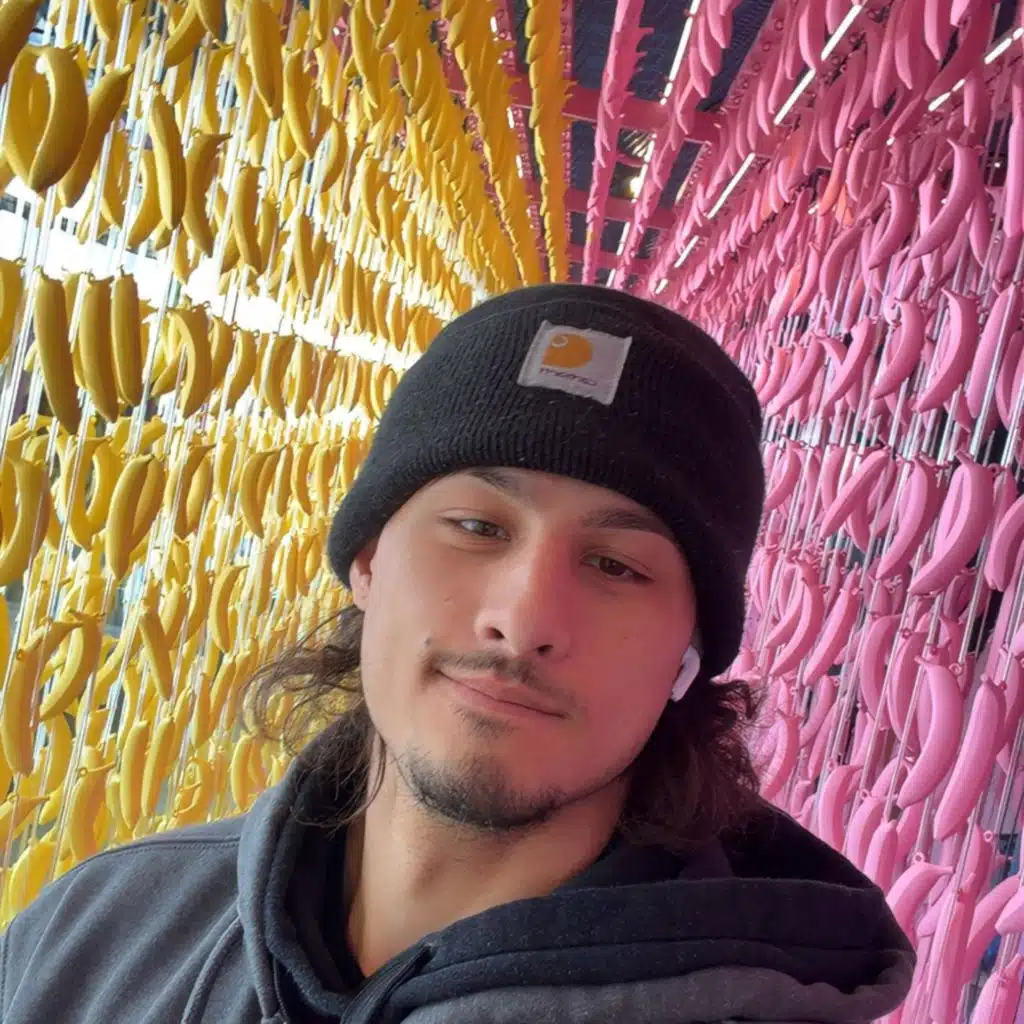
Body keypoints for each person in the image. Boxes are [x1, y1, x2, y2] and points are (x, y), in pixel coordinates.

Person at [0, 284, 914, 1023]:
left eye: (616, 565)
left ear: (691, 650)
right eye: (477, 526)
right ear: (367, 561)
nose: (523, 619)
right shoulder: (98, 929)